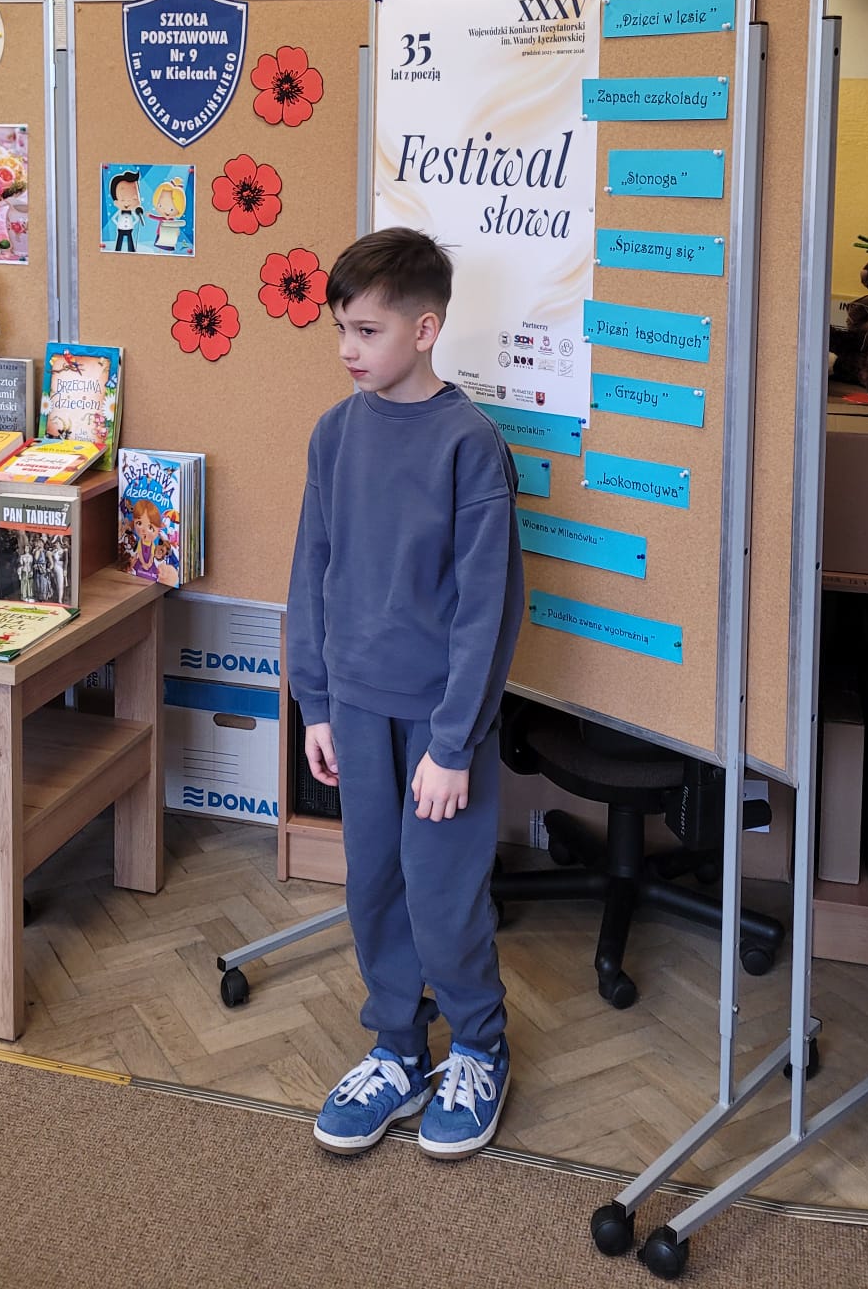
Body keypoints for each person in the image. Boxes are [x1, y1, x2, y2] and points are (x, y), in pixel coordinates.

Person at [286, 227, 524, 1161]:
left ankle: (479, 1047)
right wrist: (313, 702)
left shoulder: (470, 445)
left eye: (368, 331)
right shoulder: (333, 433)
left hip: (437, 722)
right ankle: (396, 1048)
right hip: (354, 705)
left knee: (442, 892)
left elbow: (488, 610)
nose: (348, 350)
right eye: (341, 330)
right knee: (375, 885)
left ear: (425, 330)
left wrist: (453, 744)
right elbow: (312, 570)